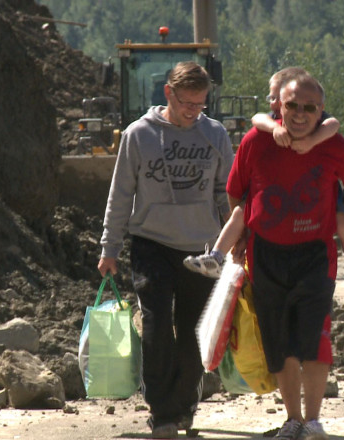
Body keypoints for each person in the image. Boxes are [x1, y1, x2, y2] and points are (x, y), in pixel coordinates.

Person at [228, 72, 344, 440]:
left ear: (321, 111)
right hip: (266, 256)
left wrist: (335, 212)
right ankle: (293, 420)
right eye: (292, 105)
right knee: (279, 340)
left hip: (314, 256)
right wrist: (241, 236)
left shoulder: (334, 144)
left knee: (314, 339)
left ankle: (315, 419)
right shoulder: (256, 141)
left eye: (309, 108)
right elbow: (236, 190)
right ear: (279, 105)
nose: (300, 114)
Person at [97, 61, 233, 439]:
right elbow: (121, 193)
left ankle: (185, 403)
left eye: (200, 105)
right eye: (187, 103)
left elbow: (227, 194)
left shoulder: (216, 135)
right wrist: (110, 246)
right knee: (157, 326)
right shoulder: (138, 135)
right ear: (168, 94)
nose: (193, 112)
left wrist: (235, 244)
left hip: (202, 248)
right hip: (151, 244)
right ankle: (162, 411)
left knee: (193, 334)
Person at [184, 67, 344, 303]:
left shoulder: (319, 122)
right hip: (271, 201)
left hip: (316, 190)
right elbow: (257, 119)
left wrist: (311, 141)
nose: (274, 103)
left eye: (276, 96)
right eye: (273, 98)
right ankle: (216, 255)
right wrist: (275, 128)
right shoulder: (268, 126)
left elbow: (333, 125)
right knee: (241, 211)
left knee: (343, 221)